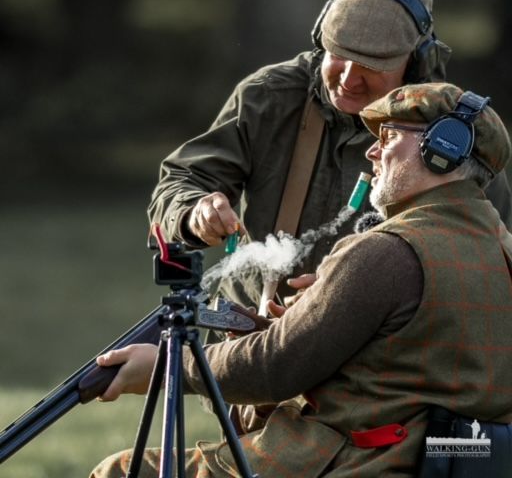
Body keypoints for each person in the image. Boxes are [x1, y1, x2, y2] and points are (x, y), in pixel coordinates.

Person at [90, 81, 512, 477]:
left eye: (388, 137)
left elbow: (273, 368)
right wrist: (302, 323)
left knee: (121, 471)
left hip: (355, 465)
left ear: (442, 150)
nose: (371, 152)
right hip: (441, 464)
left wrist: (167, 366)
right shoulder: (502, 248)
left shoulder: (385, 251)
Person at [148, 0, 512, 307]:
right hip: (246, 335)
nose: (349, 79)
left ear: (414, 63)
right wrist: (194, 211)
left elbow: (489, 267)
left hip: (378, 359)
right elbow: (182, 180)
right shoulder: (270, 96)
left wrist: (355, 293)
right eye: (339, 56)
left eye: (372, 66)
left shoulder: (454, 138)